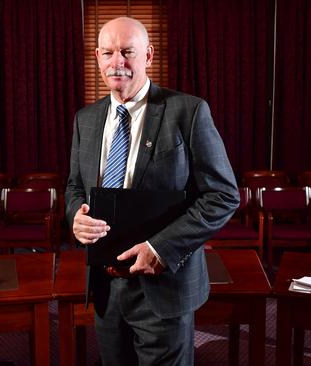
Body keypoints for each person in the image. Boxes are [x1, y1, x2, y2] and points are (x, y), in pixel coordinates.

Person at [65, 16, 239, 366]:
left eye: (128, 52)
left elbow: (223, 195)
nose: (118, 62)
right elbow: (74, 188)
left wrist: (161, 248)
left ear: (148, 55)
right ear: (97, 57)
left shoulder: (187, 112)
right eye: (109, 53)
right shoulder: (85, 119)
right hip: (105, 284)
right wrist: (75, 218)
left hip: (164, 285)